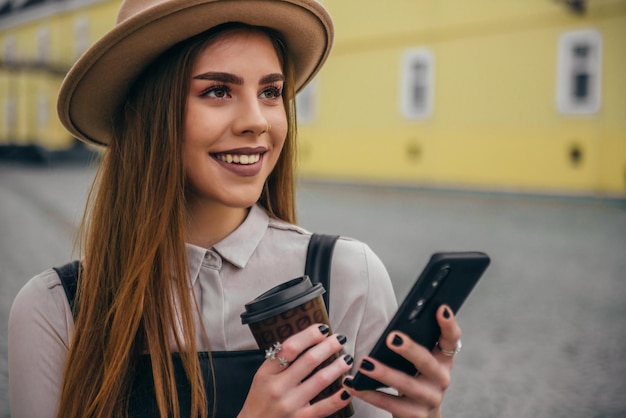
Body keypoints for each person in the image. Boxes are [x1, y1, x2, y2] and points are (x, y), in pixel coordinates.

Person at [8, 1, 462, 417]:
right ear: (144, 113)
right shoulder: (56, 310)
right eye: (218, 92)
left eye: (270, 92)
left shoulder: (348, 276)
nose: (257, 121)